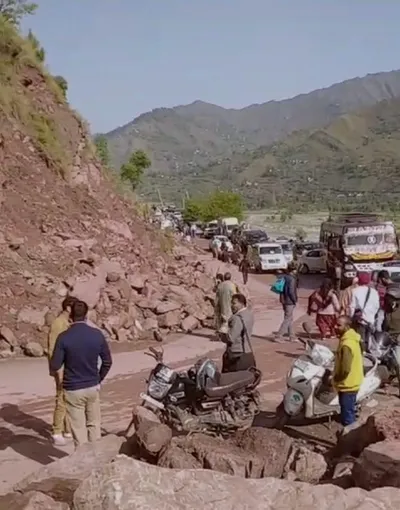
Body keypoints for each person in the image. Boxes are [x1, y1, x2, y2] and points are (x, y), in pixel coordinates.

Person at [50, 300, 112, 448]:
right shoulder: (97, 335)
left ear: (70, 316)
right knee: (94, 424)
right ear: (86, 315)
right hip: (92, 386)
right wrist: (98, 378)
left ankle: (83, 461)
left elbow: (55, 364)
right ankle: (97, 458)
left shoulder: (64, 337)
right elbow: (107, 362)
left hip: (73, 388)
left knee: (78, 428)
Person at [48, 296, 77, 445]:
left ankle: (67, 429)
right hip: (61, 366)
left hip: (69, 365)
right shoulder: (58, 323)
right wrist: (57, 369)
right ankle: (56, 431)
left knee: (68, 398)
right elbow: (53, 348)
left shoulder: (68, 323)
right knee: (61, 398)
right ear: (68, 308)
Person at [332, 315, 364, 428]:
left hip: (347, 385)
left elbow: (345, 369)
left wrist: (336, 379)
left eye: (339, 325)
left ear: (347, 326)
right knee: (348, 411)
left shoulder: (347, 344)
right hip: (353, 382)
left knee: (347, 418)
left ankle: (350, 442)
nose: (335, 327)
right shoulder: (353, 338)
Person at [221, 293, 255, 372]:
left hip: (236, 353)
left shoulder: (236, 318)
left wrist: (221, 336)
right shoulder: (249, 314)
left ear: (242, 303)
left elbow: (231, 338)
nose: (232, 305)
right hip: (247, 351)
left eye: (234, 303)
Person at [349, 272, 379, 348]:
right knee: (369, 340)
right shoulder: (374, 292)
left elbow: (352, 306)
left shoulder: (355, 291)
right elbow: (377, 306)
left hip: (360, 320)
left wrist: (351, 317)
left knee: (359, 340)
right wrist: (372, 316)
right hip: (370, 320)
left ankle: (362, 354)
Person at [275, 262, 298, 342]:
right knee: (287, 318)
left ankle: (292, 336)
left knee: (290, 318)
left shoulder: (284, 277)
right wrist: (295, 300)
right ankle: (278, 336)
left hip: (283, 299)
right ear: (293, 270)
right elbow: (291, 291)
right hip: (289, 301)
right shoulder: (292, 279)